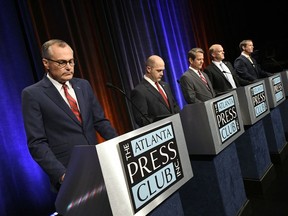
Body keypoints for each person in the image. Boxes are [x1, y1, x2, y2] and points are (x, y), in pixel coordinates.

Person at [21, 39, 118, 192]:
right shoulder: (33, 94)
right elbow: (37, 143)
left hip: (98, 166)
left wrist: (121, 147)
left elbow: (101, 122)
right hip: (70, 174)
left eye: (71, 62)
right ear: (46, 63)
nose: (68, 67)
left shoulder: (83, 85)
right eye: (61, 62)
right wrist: (62, 174)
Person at [130, 55, 180, 127]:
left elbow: (174, 106)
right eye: (159, 70)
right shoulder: (139, 91)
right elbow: (142, 119)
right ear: (149, 69)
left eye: (162, 70)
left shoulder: (165, 85)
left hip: (176, 127)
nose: (162, 74)